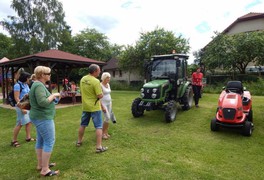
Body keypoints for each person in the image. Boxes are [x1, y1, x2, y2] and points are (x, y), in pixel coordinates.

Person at [29, 66, 61, 176]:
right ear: (42, 75)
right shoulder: (38, 85)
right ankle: (45, 169)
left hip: (39, 117)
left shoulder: (37, 84)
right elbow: (42, 102)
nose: (50, 75)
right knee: (49, 141)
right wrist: (54, 95)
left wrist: (53, 97)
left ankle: (41, 165)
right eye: (48, 73)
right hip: (42, 118)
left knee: (41, 141)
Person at [76, 64, 108, 153]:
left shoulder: (83, 79)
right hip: (95, 107)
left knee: (83, 124)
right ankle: (99, 147)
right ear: (95, 71)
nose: (100, 72)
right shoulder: (96, 81)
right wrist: (101, 93)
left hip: (85, 106)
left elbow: (82, 91)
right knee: (98, 127)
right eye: (99, 70)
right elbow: (99, 95)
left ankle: (79, 141)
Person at [11, 71, 35, 148]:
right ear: (25, 78)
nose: (30, 80)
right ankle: (14, 140)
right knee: (20, 123)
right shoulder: (17, 85)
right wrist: (21, 108)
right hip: (20, 107)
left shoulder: (26, 85)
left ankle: (28, 137)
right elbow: (16, 98)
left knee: (29, 122)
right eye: (29, 78)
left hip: (27, 106)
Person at [100, 72, 115, 140]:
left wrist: (110, 102)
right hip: (103, 103)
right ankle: (102, 133)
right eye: (107, 78)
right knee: (107, 117)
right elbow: (99, 97)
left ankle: (106, 132)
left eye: (109, 78)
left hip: (109, 103)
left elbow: (108, 93)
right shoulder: (100, 85)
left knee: (107, 119)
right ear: (103, 78)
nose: (108, 79)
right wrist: (102, 106)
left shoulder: (108, 84)